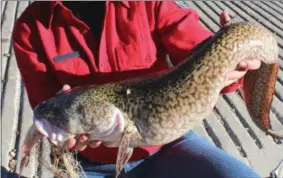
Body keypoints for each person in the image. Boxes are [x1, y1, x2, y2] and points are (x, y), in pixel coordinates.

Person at [12, 1, 261, 178]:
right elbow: (45, 106)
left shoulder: (151, 4)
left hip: (168, 146)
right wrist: (66, 136)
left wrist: (234, 62)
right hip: (88, 164)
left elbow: (202, 50)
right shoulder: (30, 28)